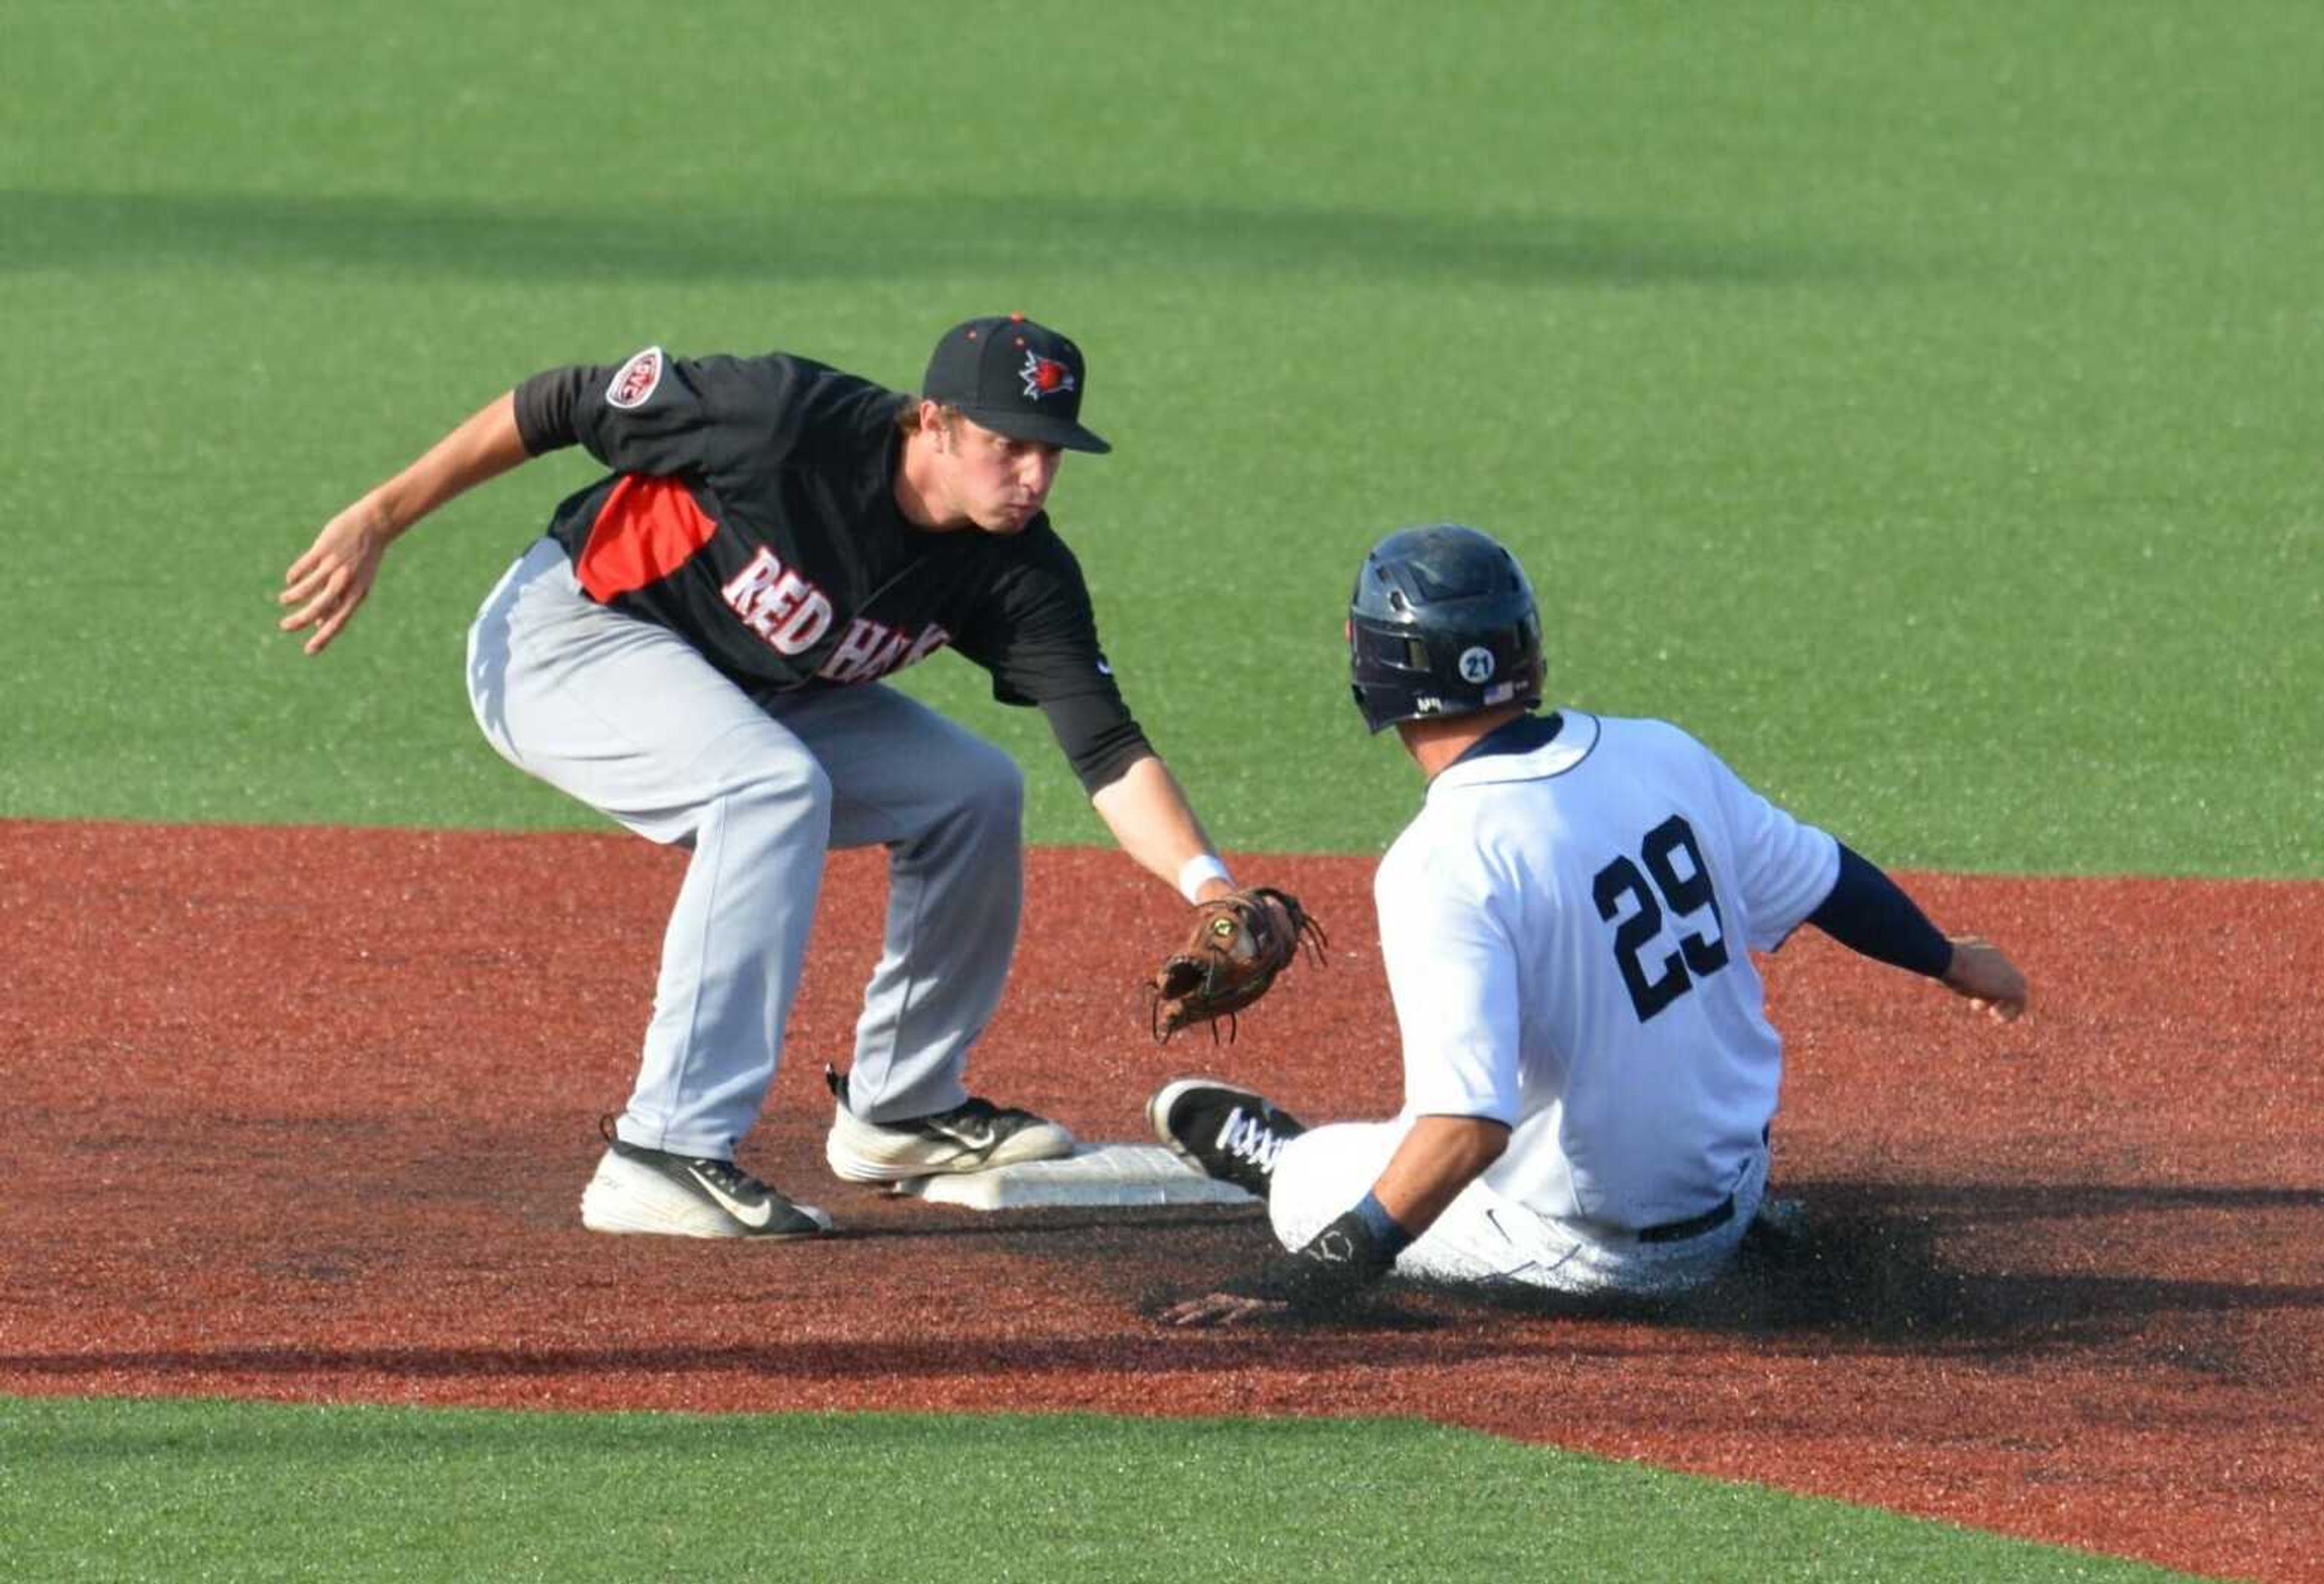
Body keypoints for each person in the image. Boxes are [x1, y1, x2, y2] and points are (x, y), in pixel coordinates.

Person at [281, 315, 1275, 1241]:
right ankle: (663, 1146)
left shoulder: (1019, 570)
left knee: (972, 789)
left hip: (749, 687)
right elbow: (555, 402)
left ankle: (904, 1108)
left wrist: (1210, 883)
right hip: (573, 636)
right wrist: (381, 516)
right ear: (931, 421)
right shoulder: (780, 418)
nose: (1033, 474)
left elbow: (1106, 749)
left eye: (1050, 449)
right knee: (769, 788)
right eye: (1007, 444)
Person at [1149, 524, 2030, 1324]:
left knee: (1327, 1175)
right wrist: (1950, 959)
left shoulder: (1440, 859)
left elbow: (1468, 1130)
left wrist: (1313, 1281)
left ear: (1377, 667)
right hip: (1739, 1177)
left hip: (1599, 1257)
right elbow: (1830, 878)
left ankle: (1283, 1162)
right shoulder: (1659, 749)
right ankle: (1741, 1223)